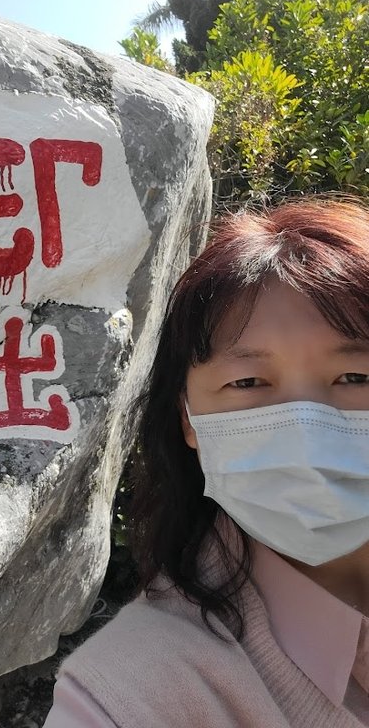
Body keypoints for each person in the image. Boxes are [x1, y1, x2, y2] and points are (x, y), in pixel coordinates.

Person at [43, 196, 369, 727]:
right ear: (188, 419)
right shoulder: (125, 699)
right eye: (247, 382)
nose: (308, 430)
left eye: (356, 377)